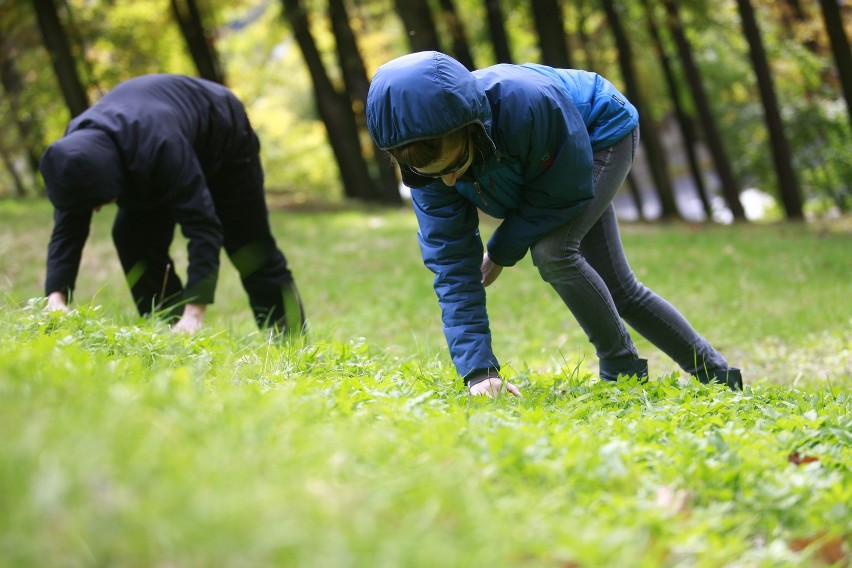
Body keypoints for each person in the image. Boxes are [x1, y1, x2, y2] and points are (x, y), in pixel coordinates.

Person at [366, 51, 742, 397]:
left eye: (453, 167)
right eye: (432, 175)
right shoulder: (428, 171)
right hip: (544, 167)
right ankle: (720, 378)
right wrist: (479, 373)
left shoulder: (527, 104)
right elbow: (452, 268)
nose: (448, 182)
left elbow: (559, 193)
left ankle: (621, 371)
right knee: (617, 287)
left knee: (553, 252)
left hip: (598, 133)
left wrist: (500, 249)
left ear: (472, 131)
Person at [40, 74, 305, 335]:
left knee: (249, 248)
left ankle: (289, 343)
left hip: (221, 137)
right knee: (133, 239)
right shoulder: (71, 156)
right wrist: (56, 298)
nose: (96, 210)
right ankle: (170, 332)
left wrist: (195, 312)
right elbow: (67, 231)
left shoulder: (160, 146)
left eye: (99, 201)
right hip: (151, 148)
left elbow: (203, 227)